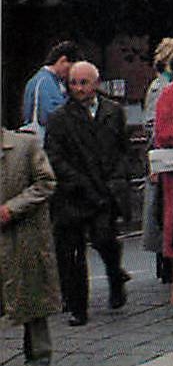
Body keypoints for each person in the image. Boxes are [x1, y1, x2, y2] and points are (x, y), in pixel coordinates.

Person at [42, 62, 131, 325]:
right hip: (74, 194)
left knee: (105, 240)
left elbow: (122, 149)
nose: (78, 88)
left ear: (96, 84)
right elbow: (54, 156)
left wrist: (117, 180)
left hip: (105, 190)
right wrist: (75, 181)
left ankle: (115, 276)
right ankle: (77, 307)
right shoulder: (59, 118)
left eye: (84, 83)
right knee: (72, 252)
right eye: (73, 83)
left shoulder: (113, 112)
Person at [2, 127, 61, 366]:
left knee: (31, 297)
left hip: (23, 239)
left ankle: (38, 360)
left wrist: (12, 208)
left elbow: (46, 183)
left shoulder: (25, 145)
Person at [142, 37, 173, 281]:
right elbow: (152, 124)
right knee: (163, 211)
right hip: (165, 158)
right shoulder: (160, 87)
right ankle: (167, 264)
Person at [20, 40, 77, 133]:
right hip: (40, 138)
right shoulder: (43, 82)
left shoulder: (52, 81)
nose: (70, 74)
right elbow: (46, 116)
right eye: (71, 68)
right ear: (63, 60)